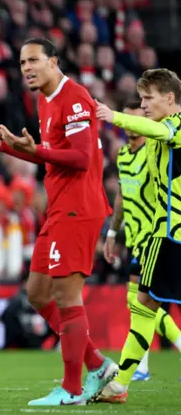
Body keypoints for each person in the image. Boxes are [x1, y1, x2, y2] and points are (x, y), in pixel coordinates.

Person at [0, 37, 117, 405]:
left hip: (78, 208)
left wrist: (36, 150)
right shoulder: (44, 99)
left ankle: (72, 389)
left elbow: (79, 157)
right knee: (36, 293)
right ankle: (97, 365)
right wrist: (9, 146)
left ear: (53, 61)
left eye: (34, 60)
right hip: (59, 207)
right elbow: (52, 157)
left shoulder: (74, 96)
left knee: (66, 296)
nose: (27, 68)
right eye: (21, 62)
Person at [95, 68, 181, 403]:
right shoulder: (151, 139)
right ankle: (121, 384)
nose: (143, 105)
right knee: (145, 303)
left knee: (146, 303)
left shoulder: (175, 127)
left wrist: (113, 116)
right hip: (162, 235)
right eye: (141, 98)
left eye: (149, 98)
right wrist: (115, 231)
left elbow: (153, 130)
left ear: (170, 99)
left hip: (172, 234)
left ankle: (120, 384)